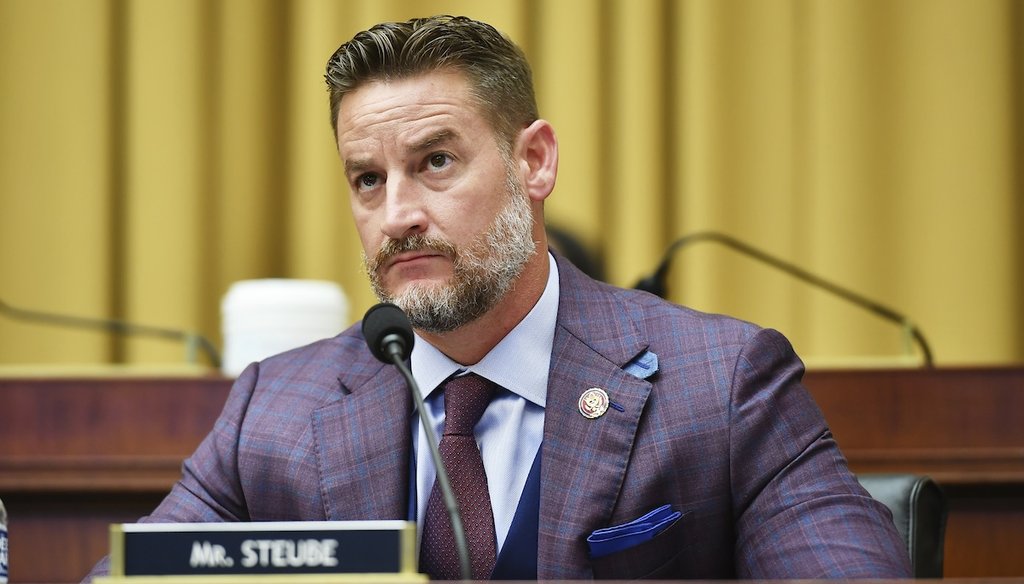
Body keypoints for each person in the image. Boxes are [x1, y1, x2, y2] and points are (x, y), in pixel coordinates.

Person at [85, 15, 911, 581]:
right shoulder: (277, 410)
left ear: (535, 162)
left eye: (436, 162)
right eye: (367, 180)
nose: (398, 213)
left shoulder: (723, 383)